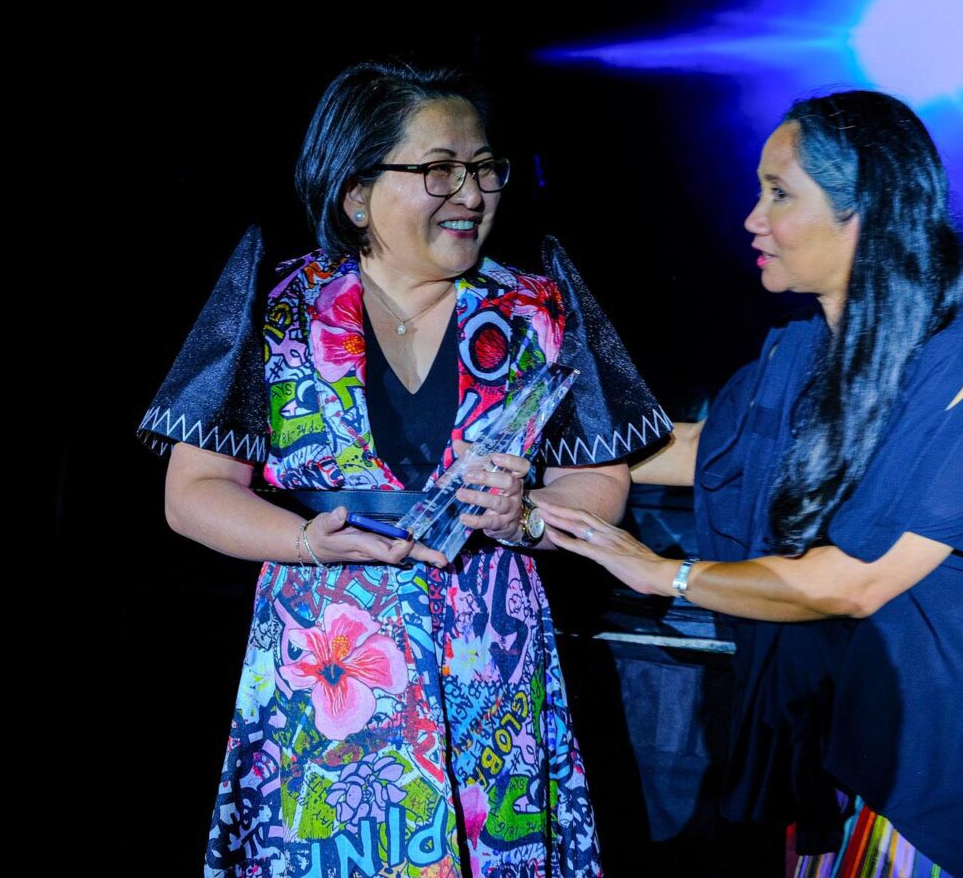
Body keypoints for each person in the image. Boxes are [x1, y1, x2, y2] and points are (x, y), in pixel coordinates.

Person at [138, 60, 670, 877]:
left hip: (490, 660)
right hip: (327, 669)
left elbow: (599, 480)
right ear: (357, 195)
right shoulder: (278, 310)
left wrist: (527, 516)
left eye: (484, 169)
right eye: (440, 170)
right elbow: (194, 494)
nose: (473, 194)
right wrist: (306, 543)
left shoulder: (535, 310)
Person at [538, 91, 963, 877]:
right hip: (841, 720)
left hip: (946, 739)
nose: (753, 219)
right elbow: (703, 448)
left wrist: (663, 573)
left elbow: (855, 581)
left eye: (780, 194)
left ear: (867, 209)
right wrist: (529, 458)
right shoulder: (803, 346)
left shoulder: (962, 356)